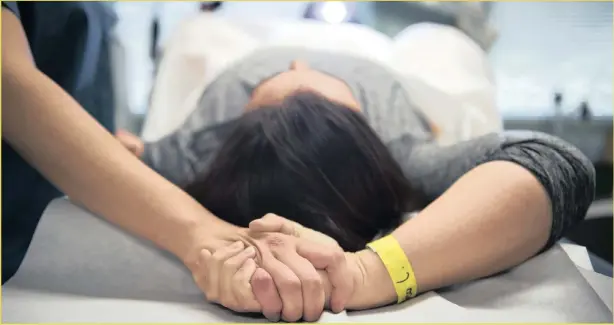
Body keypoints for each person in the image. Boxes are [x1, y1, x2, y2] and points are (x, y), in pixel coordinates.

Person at [119, 47, 596, 311]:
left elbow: (554, 162)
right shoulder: (202, 154)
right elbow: (555, 163)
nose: (298, 69)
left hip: (366, 51)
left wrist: (368, 273)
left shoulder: (195, 151)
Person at [2, 3, 354, 322]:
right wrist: (207, 235)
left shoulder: (402, 135)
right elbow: (8, 81)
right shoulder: (205, 138)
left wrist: (361, 271)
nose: (298, 67)